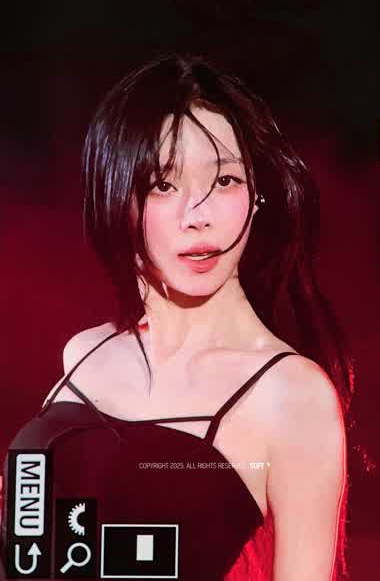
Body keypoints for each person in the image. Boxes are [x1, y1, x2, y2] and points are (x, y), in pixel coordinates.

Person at [1, 53, 351, 580]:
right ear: (117, 198)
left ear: (257, 196)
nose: (199, 215)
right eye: (163, 185)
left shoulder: (291, 397)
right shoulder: (85, 352)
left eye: (225, 180)